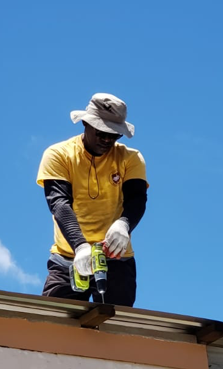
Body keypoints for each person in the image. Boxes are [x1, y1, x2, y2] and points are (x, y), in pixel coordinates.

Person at [36, 93, 148, 307]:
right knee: (52, 325)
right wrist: (80, 246)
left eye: (114, 135)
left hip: (116, 258)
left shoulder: (131, 158)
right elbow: (59, 203)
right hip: (68, 256)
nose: (107, 140)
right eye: (101, 132)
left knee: (115, 327)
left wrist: (124, 224)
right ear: (86, 123)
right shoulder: (59, 155)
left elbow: (137, 198)